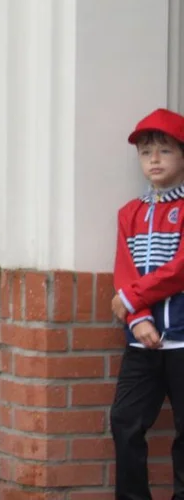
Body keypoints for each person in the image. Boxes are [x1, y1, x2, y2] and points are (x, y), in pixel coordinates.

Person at [110, 108, 184, 500]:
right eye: (145, 152)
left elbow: (180, 268)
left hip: (183, 341)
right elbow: (125, 269)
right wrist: (137, 319)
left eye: (165, 150)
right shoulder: (130, 213)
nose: (153, 160)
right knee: (125, 423)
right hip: (143, 342)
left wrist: (132, 299)